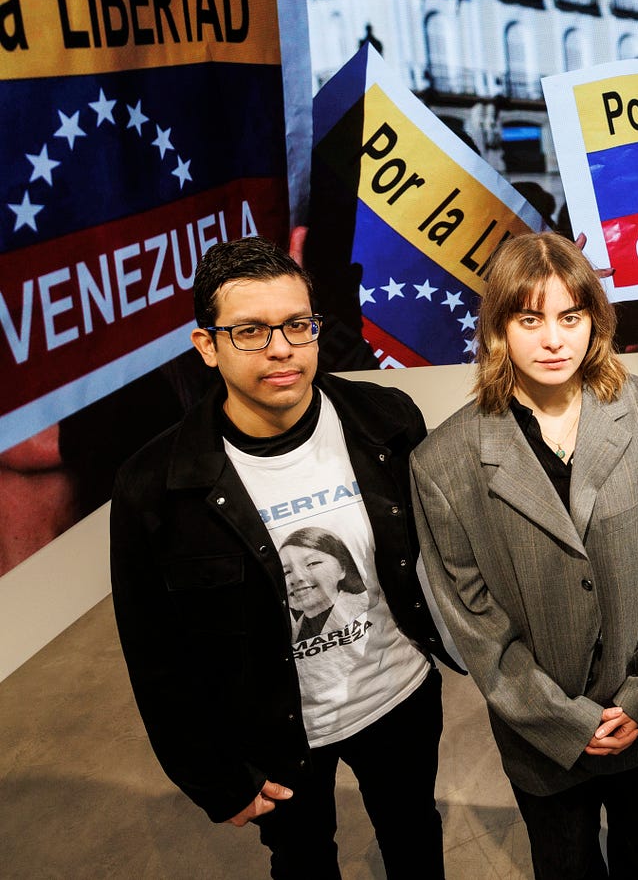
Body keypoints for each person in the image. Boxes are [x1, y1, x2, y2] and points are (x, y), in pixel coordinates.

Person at [111, 236, 458, 879]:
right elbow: (156, 652)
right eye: (250, 330)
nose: (281, 348)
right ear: (207, 346)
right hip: (272, 732)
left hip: (399, 696)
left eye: (297, 324)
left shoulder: (386, 421)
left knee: (413, 834)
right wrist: (212, 777)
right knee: (302, 861)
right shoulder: (154, 485)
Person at [410, 232, 638, 880]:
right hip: (542, 734)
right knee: (564, 865)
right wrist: (561, 718)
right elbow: (474, 623)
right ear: (497, 328)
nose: (553, 339)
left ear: (595, 320)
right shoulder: (443, 462)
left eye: (571, 316)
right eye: (530, 318)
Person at [279, 527, 371, 642]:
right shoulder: (289, 631)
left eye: (312, 563)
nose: (297, 578)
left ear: (342, 568)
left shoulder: (368, 609)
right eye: (286, 572)